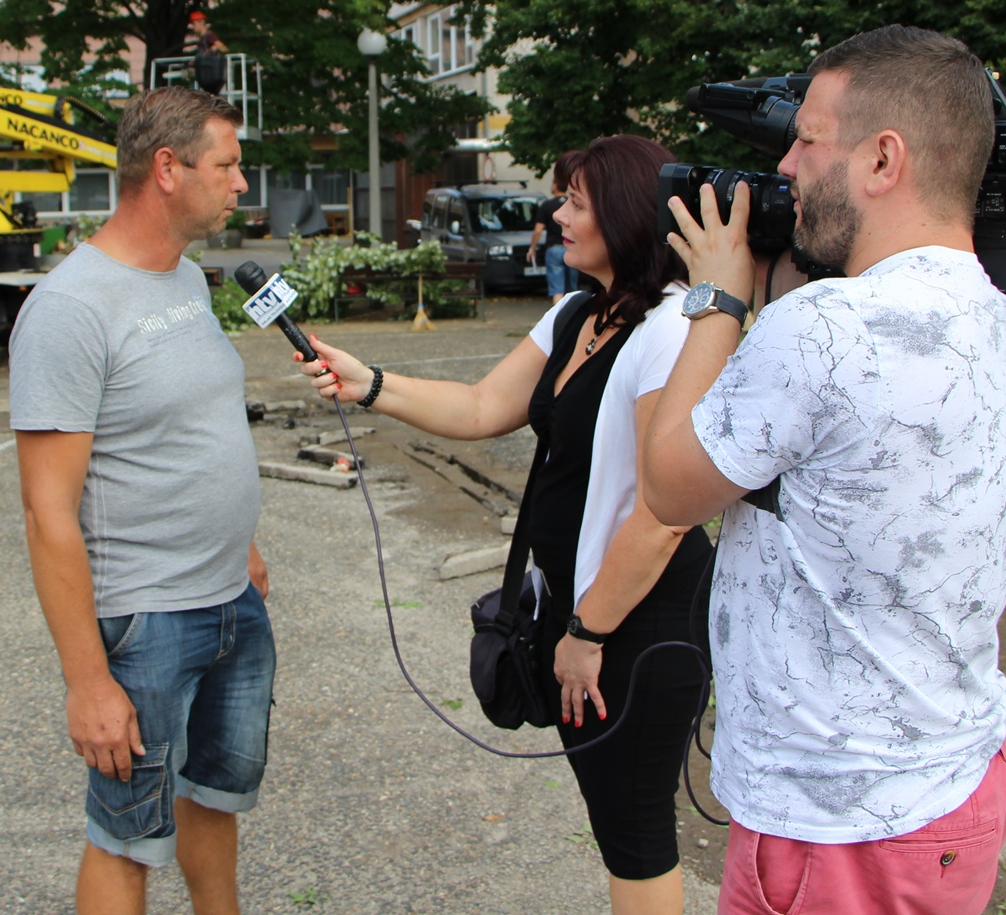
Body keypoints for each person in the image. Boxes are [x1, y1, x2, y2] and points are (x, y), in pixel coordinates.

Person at [640, 25, 1006, 915]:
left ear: (882, 159)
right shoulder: (1004, 322)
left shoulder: (825, 328)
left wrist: (718, 295)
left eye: (808, 140)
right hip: (951, 776)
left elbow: (668, 486)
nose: (785, 166)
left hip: (839, 824)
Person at [299, 135, 712, 915]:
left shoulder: (671, 329)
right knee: (615, 820)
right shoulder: (577, 313)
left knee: (634, 827)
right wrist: (369, 383)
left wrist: (587, 632)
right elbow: (483, 405)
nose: (556, 215)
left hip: (637, 618)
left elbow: (662, 513)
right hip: (579, 608)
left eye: (575, 202)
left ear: (626, 214)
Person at [10, 87, 272, 915]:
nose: (240, 184)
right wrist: (87, 681)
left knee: (213, 800)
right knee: (126, 838)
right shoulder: (69, 310)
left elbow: (192, 421)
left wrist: (240, 542)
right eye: (226, 165)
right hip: (144, 619)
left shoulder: (186, 279)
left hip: (231, 600)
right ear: (167, 168)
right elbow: (47, 512)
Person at [527, 152, 581, 304]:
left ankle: (558, 315)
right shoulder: (573, 204)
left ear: (555, 185)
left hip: (554, 249)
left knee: (557, 288)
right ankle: (574, 315)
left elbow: (538, 230)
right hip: (572, 247)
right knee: (573, 288)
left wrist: (532, 248)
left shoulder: (547, 206)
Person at [188, 11, 228, 95]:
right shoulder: (201, 39)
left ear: (200, 22)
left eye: (194, 24)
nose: (193, 27)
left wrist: (214, 48)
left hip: (212, 73)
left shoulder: (209, 35)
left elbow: (223, 48)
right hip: (206, 73)